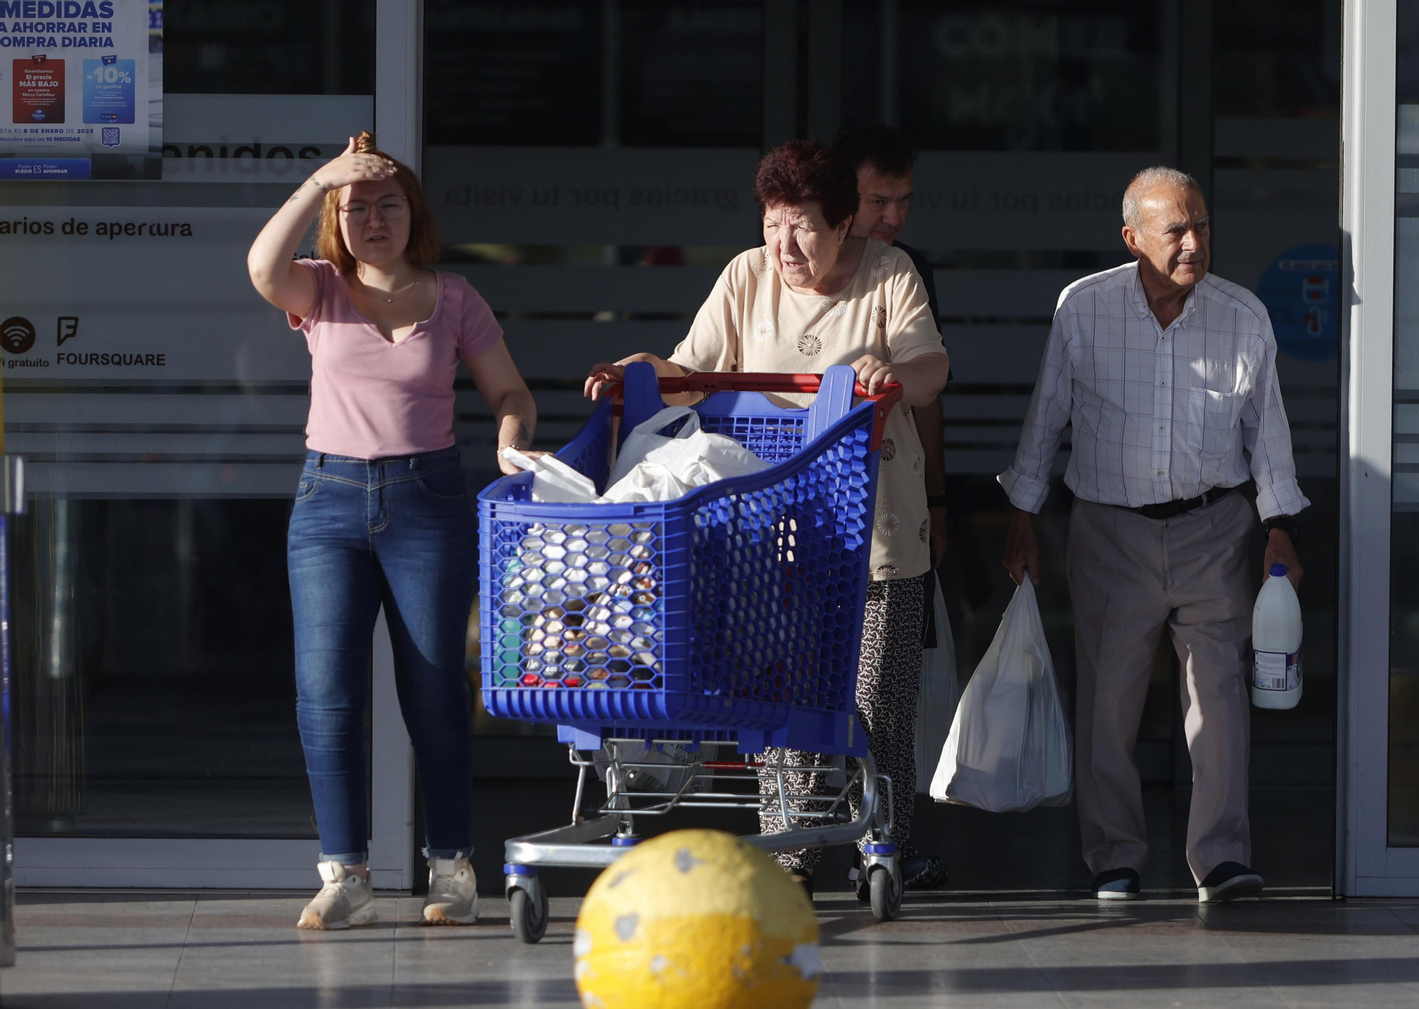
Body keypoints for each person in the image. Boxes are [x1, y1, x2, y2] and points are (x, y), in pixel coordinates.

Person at [584, 140, 950, 896]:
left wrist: (892, 374)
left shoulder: (891, 275)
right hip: (774, 534)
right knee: (785, 701)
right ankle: (791, 855)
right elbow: (691, 371)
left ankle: (883, 848)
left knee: (877, 700)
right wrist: (636, 371)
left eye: (804, 226)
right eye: (773, 224)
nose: (785, 245)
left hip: (875, 527)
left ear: (844, 224)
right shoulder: (744, 276)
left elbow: (931, 367)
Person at [246, 132, 538, 930]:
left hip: (426, 498)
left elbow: (511, 392)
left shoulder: (454, 296)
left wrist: (511, 439)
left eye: (389, 205)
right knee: (326, 692)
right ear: (336, 221)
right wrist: (323, 178)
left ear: (415, 216)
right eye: (357, 208)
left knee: (435, 689)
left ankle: (452, 866)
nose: (374, 220)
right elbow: (262, 267)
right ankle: (345, 872)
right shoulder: (318, 287)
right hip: (328, 502)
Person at [1001, 167, 1308, 904]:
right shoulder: (1084, 307)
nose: (1193, 242)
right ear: (1133, 237)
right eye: (1176, 230)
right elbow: (1047, 415)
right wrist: (1023, 515)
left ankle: (1221, 856)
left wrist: (1280, 529)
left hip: (1214, 528)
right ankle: (1114, 855)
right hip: (1110, 530)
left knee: (1219, 696)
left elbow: (1268, 433)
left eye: (1201, 225)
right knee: (1109, 702)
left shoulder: (1242, 315)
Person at [832, 125, 949, 576]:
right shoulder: (772, 264)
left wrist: (937, 500)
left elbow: (929, 391)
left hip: (895, 508)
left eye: (904, 201)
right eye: (878, 201)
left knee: (894, 622)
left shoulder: (907, 268)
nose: (894, 217)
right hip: (803, 503)